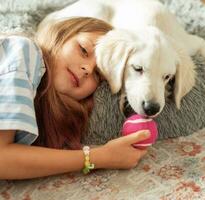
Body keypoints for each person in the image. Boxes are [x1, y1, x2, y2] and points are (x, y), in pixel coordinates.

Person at [0, 17, 150, 180]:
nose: (87, 69)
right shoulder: (24, 51)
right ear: (62, 35)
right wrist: (100, 157)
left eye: (97, 74)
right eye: (84, 50)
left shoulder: (41, 107)